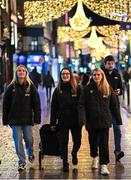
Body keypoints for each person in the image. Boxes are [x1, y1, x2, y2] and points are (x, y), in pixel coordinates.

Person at [79, 67, 122, 175]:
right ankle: (94, 157)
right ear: (92, 76)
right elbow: (81, 104)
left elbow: (114, 105)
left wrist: (118, 119)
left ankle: (103, 165)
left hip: (104, 121)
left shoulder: (108, 88)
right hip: (91, 121)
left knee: (104, 144)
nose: (96, 76)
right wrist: (82, 118)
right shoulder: (87, 89)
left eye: (98, 75)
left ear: (102, 76)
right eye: (94, 75)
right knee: (93, 143)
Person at [2, 64, 41, 171]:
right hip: (14, 120)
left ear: (26, 73)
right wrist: (5, 120)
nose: (21, 72)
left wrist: (37, 118)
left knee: (29, 139)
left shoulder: (30, 86)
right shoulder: (11, 87)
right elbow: (5, 104)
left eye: (23, 71)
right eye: (19, 71)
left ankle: (31, 153)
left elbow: (36, 103)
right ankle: (21, 162)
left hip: (27, 119)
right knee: (18, 141)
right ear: (16, 73)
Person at [50, 67, 82, 172]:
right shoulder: (57, 90)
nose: (65, 75)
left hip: (76, 120)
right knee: (63, 142)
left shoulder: (78, 88)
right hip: (63, 120)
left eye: (67, 74)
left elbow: (83, 105)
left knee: (77, 141)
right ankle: (65, 162)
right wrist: (53, 123)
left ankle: (74, 153)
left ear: (70, 75)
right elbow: (53, 107)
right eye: (63, 74)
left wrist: (83, 118)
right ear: (61, 76)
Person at [104, 55, 124, 162]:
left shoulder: (117, 75)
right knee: (103, 131)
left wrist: (119, 91)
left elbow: (121, 88)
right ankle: (101, 152)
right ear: (105, 64)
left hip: (114, 107)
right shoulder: (101, 74)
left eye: (112, 63)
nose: (111, 65)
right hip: (104, 107)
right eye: (108, 63)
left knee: (117, 129)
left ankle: (117, 151)